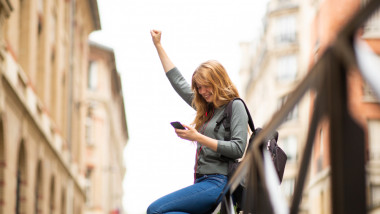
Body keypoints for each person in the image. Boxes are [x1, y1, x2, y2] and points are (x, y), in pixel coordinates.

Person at [147, 30, 248, 214]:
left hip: (219, 182)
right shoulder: (206, 109)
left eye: (206, 86)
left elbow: (238, 148)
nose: (202, 91)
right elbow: (178, 82)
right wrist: (158, 46)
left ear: (218, 81)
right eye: (199, 87)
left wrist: (198, 137)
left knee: (155, 210)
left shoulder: (235, 106)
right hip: (201, 181)